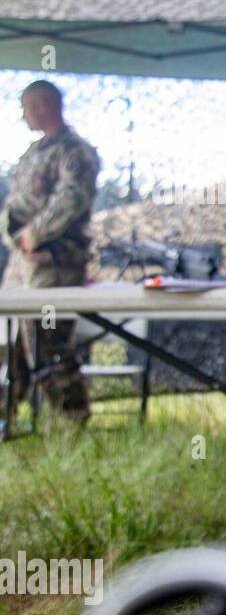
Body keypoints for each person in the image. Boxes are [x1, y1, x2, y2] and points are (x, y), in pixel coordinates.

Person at [0, 80, 100, 424]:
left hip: (53, 262)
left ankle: (72, 420)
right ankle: (5, 418)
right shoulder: (35, 151)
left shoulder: (75, 151)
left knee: (48, 341)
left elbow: (71, 198)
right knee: (11, 340)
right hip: (22, 263)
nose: (23, 114)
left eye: (27, 106)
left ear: (45, 105)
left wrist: (36, 233)